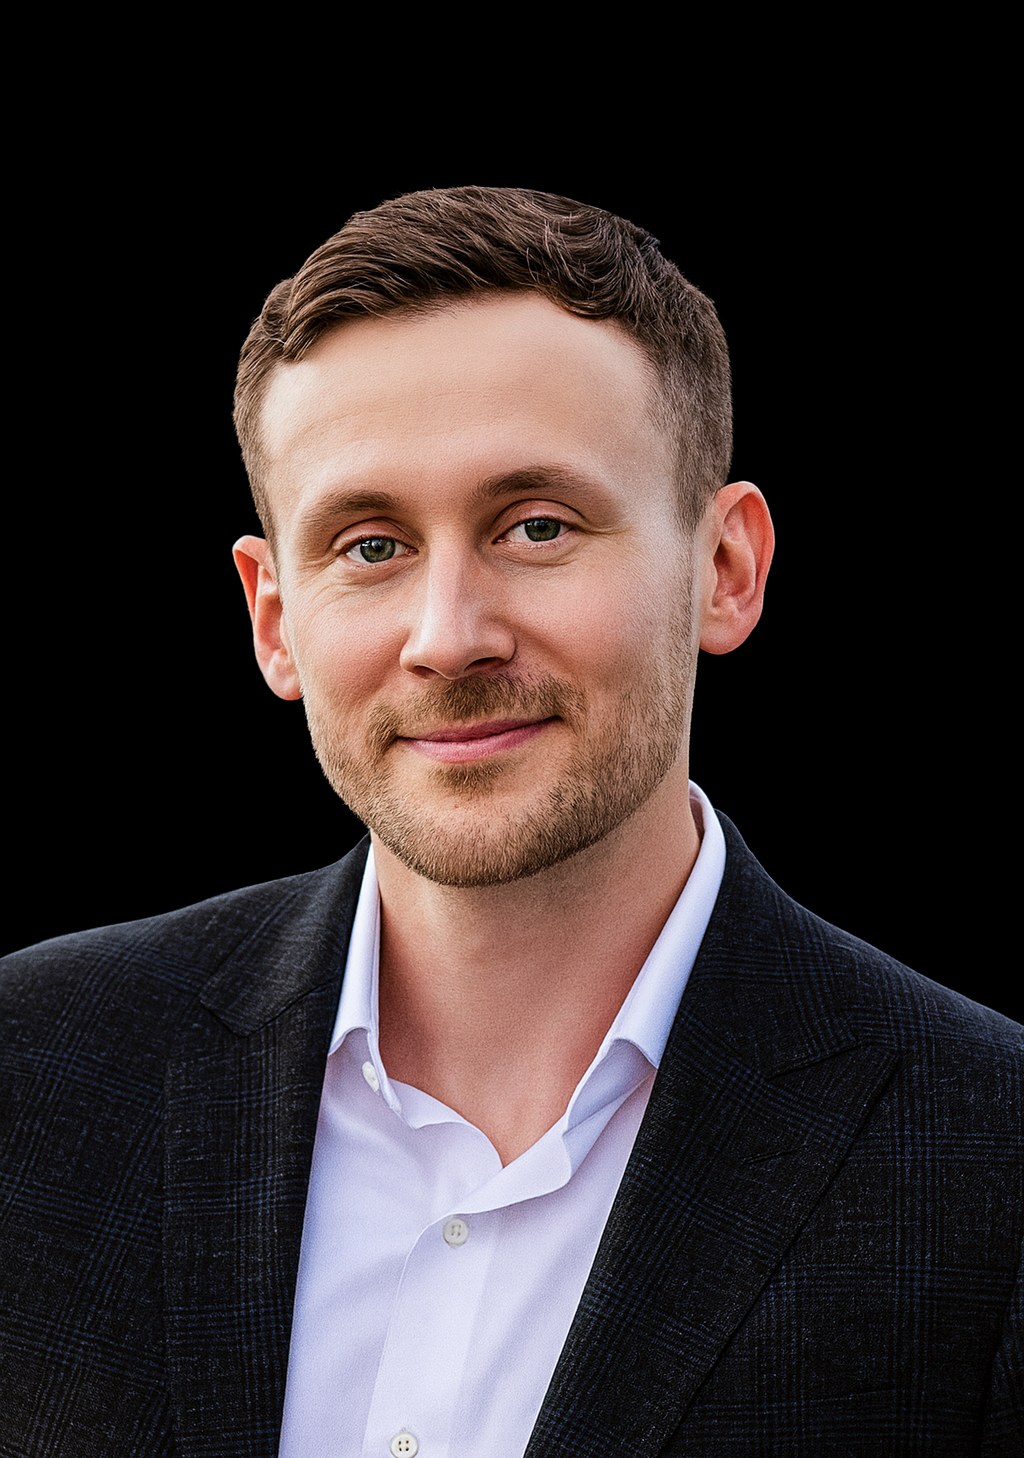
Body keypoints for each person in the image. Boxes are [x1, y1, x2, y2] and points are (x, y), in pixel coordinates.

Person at [2, 188, 1020, 1457]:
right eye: (368, 546)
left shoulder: (991, 1160)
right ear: (273, 618)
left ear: (726, 567)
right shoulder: (30, 1075)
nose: (448, 637)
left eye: (536, 527)